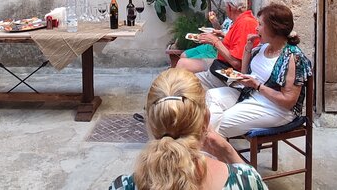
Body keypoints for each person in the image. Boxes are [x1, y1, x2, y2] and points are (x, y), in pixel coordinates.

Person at [108, 68, 267, 190]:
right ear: (206, 119)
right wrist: (230, 154)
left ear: (149, 122)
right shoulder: (244, 181)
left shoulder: (123, 186)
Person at [206, 3, 312, 137]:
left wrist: (257, 86)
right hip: (251, 94)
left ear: (274, 28)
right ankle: (210, 142)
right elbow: (244, 73)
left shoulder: (292, 57)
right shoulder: (263, 48)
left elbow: (288, 101)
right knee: (210, 96)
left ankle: (210, 145)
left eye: (260, 24)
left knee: (221, 123)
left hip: (276, 109)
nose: (256, 28)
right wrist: (248, 48)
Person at [182, 0, 259, 84]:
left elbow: (236, 63)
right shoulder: (242, 20)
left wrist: (215, 42)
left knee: (183, 81)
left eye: (225, 7)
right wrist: (222, 35)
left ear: (230, 7)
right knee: (182, 65)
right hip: (221, 65)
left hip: (229, 74)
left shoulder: (245, 23)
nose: (226, 10)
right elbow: (235, 45)